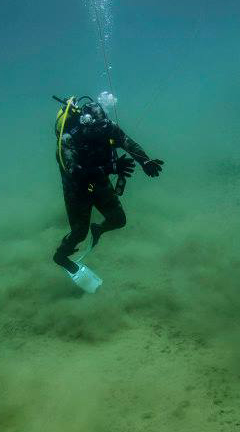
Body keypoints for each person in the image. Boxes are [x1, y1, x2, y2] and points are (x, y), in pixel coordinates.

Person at [51, 95, 163, 290]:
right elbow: (75, 173)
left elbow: (129, 143)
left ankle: (99, 229)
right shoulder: (69, 139)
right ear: (85, 123)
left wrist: (144, 161)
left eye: (103, 127)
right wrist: (111, 167)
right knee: (79, 233)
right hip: (76, 188)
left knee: (118, 220)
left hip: (99, 181)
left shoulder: (107, 127)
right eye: (95, 129)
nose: (100, 132)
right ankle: (60, 256)